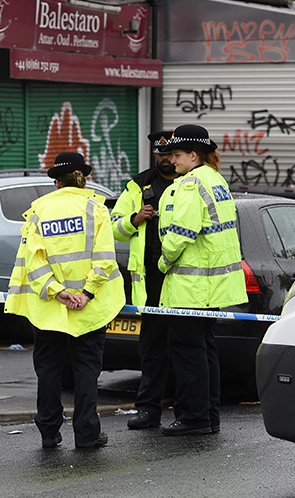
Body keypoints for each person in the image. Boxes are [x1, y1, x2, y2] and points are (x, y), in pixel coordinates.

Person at [5, 152, 124, 449]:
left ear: (57, 182)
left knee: (48, 370)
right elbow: (105, 259)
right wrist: (86, 293)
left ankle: (48, 431)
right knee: (86, 371)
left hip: (49, 308)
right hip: (89, 307)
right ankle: (87, 433)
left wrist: (57, 291)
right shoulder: (95, 208)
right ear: (83, 178)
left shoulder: (39, 211)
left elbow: (33, 261)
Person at [156, 124, 247, 436]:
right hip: (212, 287)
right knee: (204, 350)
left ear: (193, 155)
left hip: (190, 288)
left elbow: (181, 233)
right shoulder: (215, 180)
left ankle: (194, 416)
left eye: (178, 154)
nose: (173, 160)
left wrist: (163, 261)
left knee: (187, 352)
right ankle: (208, 415)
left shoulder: (191, 184)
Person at [110, 130, 179, 430]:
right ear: (155, 155)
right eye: (161, 155)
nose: (166, 160)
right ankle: (148, 409)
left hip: (183, 279)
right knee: (151, 349)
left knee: (184, 349)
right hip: (151, 281)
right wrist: (133, 219)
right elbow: (113, 227)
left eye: (170, 155)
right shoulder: (139, 185)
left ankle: (188, 410)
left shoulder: (190, 181)